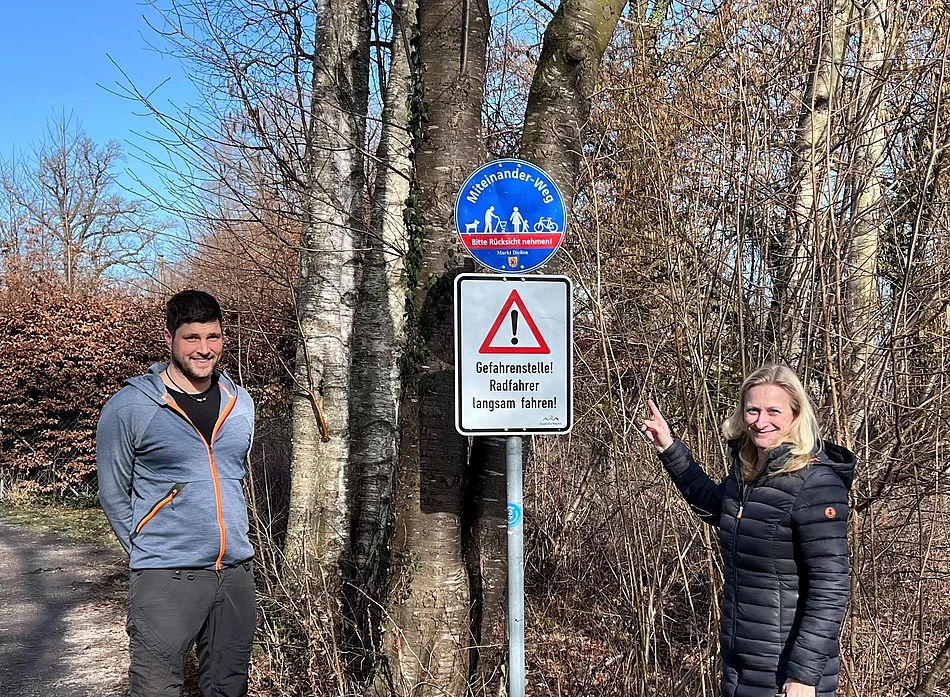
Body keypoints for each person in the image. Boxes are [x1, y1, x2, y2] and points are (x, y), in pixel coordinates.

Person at [641, 364, 853, 697]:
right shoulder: (749, 473)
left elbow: (831, 586)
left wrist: (803, 675)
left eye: (773, 411)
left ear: (796, 414)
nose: (760, 421)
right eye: (752, 410)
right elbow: (714, 506)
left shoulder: (817, 483)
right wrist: (670, 449)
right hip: (742, 659)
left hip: (788, 671)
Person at [97, 290, 257, 697]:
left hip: (235, 573)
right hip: (167, 575)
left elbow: (234, 477)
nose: (204, 350)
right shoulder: (131, 406)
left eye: (214, 337)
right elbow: (114, 492)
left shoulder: (242, 404)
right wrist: (149, 548)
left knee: (229, 687)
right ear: (170, 338)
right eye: (192, 338)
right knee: (155, 688)